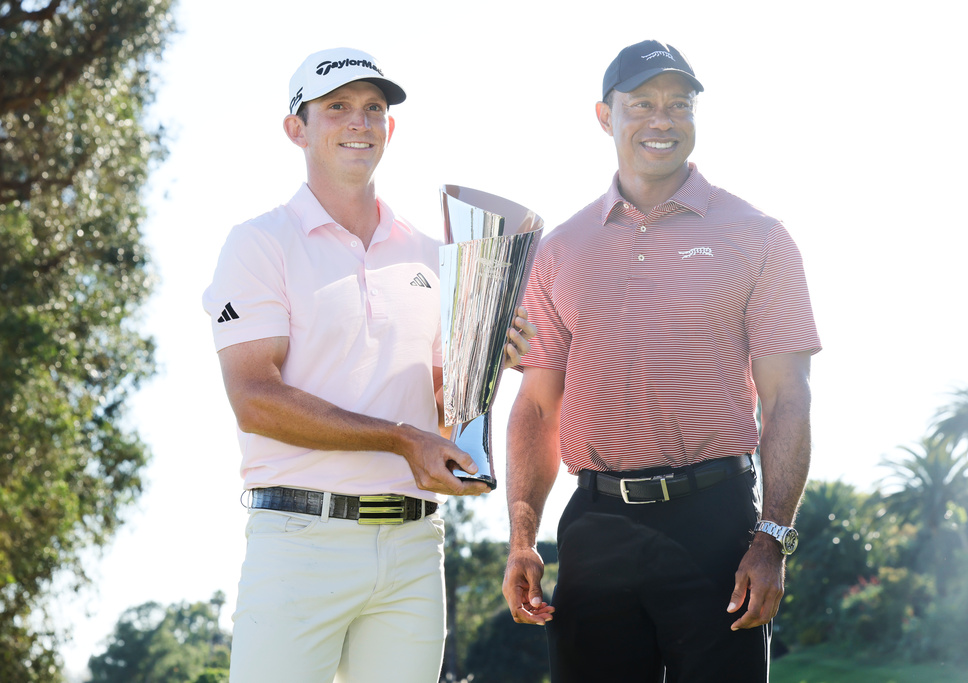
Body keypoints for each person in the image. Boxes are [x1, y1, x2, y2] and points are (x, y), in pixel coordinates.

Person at [202, 47, 533, 683]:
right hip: (300, 539)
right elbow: (255, 397)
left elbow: (441, 407)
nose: (359, 122)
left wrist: (488, 359)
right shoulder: (259, 243)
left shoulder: (434, 253)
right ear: (296, 129)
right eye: (337, 108)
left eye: (373, 109)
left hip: (413, 546)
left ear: (390, 127)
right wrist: (401, 438)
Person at [501, 39, 821, 682]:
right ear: (604, 115)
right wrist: (521, 538)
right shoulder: (559, 249)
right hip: (596, 526)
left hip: (717, 522)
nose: (662, 119)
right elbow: (538, 405)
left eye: (679, 104)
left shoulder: (757, 236)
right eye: (641, 103)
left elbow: (788, 396)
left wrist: (773, 540)